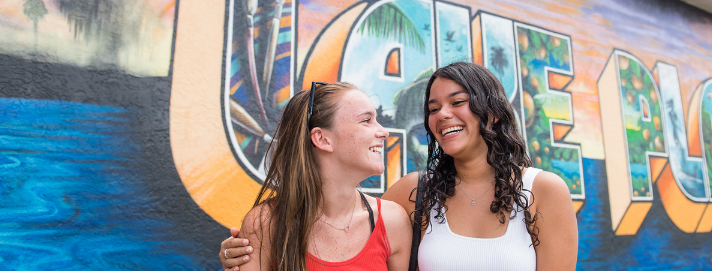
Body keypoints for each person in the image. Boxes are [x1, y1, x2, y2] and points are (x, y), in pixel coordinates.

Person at [222, 63, 578, 270]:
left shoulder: (544, 191)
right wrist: (241, 252)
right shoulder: (412, 194)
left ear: (494, 111)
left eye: (457, 102)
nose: (442, 115)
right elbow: (336, 211)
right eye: (434, 107)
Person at [227, 82, 412, 271]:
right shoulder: (265, 223)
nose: (384, 132)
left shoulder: (392, 222)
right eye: (366, 120)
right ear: (322, 139)